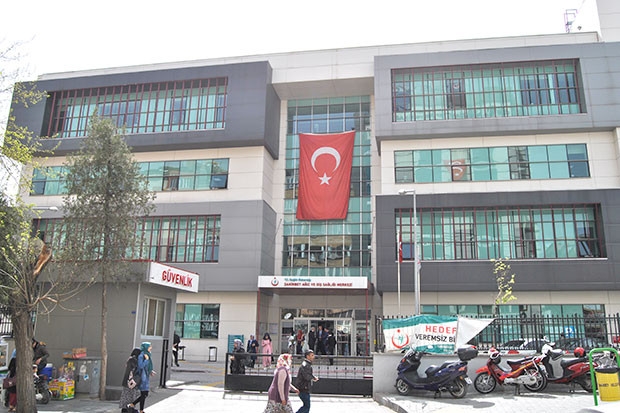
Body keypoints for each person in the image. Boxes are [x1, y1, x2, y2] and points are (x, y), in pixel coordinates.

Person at [134, 342, 156, 413]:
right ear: (146, 347)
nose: (151, 348)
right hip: (142, 377)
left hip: (145, 376)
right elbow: (140, 366)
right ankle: (139, 409)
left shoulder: (148, 354)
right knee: (144, 393)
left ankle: (135, 406)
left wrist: (150, 371)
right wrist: (146, 360)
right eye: (149, 346)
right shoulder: (142, 355)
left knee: (145, 394)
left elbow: (147, 366)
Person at [119, 348, 141, 413]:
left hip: (128, 382)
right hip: (131, 382)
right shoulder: (133, 360)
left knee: (126, 397)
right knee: (130, 397)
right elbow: (136, 369)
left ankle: (126, 410)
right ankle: (128, 410)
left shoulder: (130, 359)